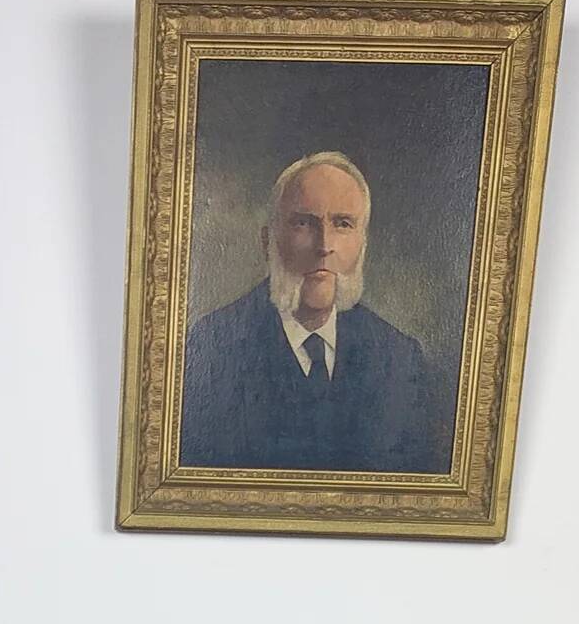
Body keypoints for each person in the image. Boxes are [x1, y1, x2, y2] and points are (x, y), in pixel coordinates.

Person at [178, 151, 444, 474]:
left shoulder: (399, 358)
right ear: (268, 241)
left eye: (343, 224)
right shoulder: (212, 346)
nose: (324, 245)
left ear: (362, 243)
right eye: (304, 223)